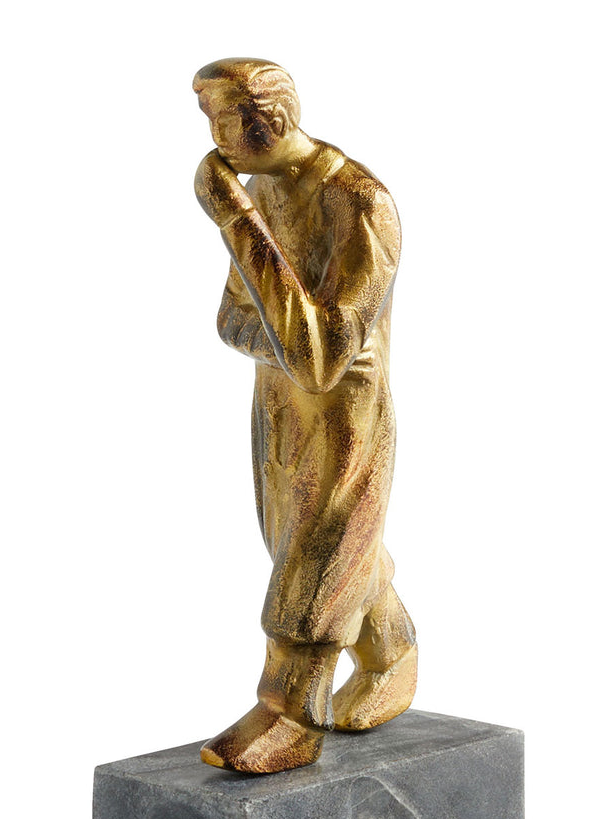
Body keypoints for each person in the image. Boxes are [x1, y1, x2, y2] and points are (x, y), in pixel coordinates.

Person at [193, 58, 417, 772]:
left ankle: (291, 715)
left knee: (313, 565)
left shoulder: (361, 204)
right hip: (283, 411)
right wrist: (294, 345)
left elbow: (321, 360)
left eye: (226, 122)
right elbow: (233, 322)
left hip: (347, 422)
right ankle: (392, 652)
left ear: (276, 119)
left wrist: (236, 221)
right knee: (303, 547)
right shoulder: (264, 192)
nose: (215, 141)